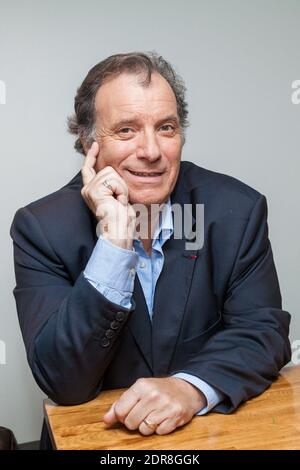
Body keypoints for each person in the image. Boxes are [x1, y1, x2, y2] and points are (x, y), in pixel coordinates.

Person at [10, 52, 291, 447]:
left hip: (208, 436)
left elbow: (263, 333)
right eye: (126, 130)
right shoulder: (44, 228)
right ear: (90, 143)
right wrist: (114, 243)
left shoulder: (233, 211)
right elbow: (64, 382)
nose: (152, 151)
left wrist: (191, 388)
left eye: (166, 127)